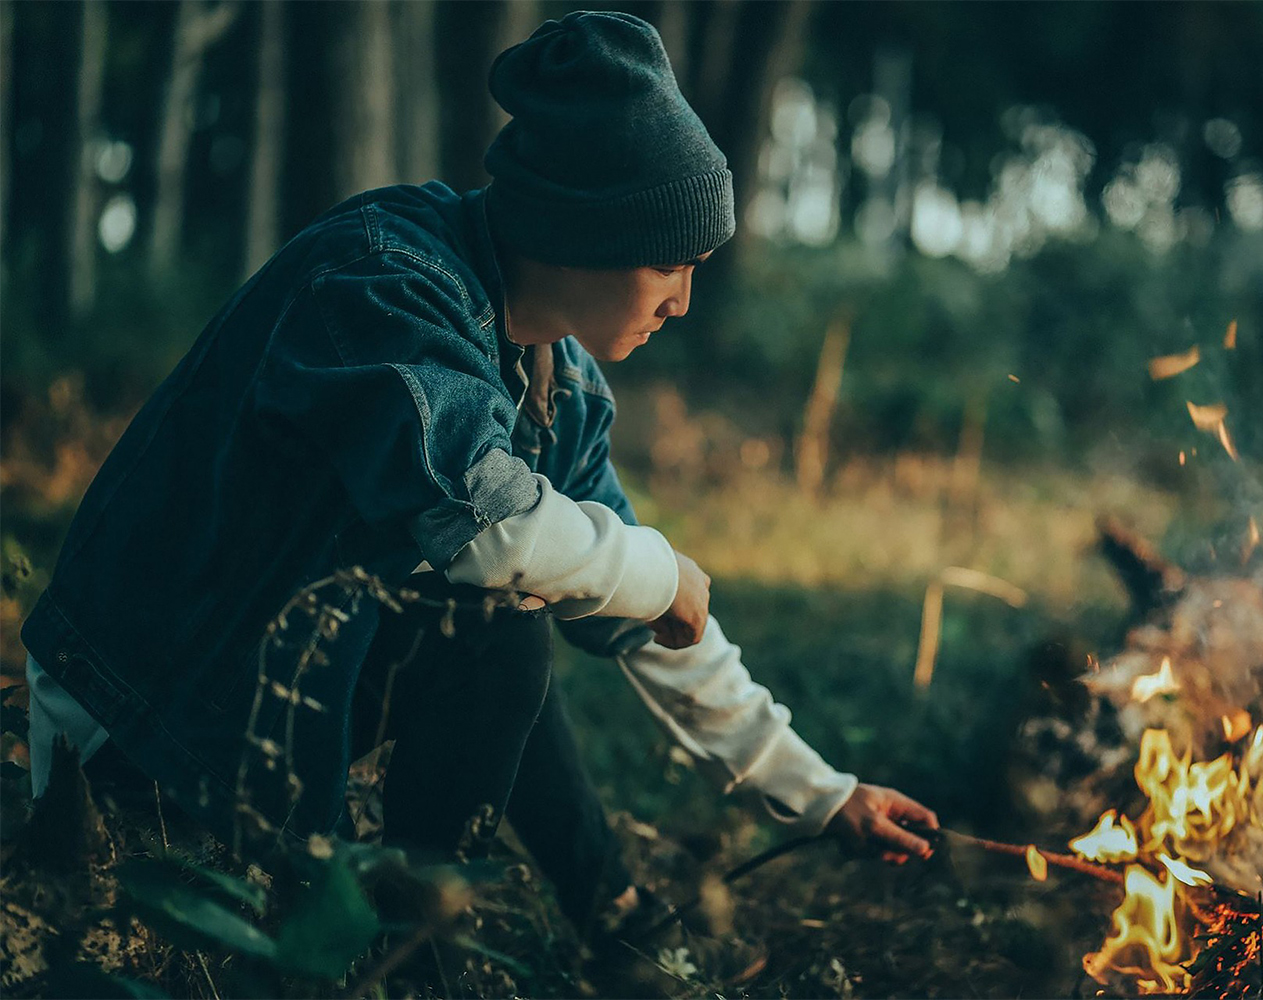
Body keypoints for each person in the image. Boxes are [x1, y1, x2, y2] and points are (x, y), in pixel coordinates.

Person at [21, 8, 938, 963]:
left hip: (263, 706)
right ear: (581, 230)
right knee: (499, 617)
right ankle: (396, 963)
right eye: (668, 264)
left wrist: (821, 790)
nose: (682, 301)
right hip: (137, 716)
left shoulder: (558, 379)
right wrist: (654, 570)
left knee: (509, 613)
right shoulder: (382, 281)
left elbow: (647, 621)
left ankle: (601, 924)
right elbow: (492, 533)